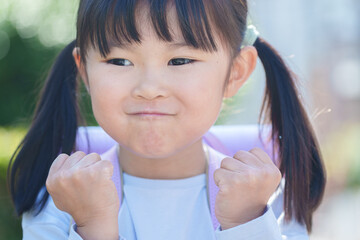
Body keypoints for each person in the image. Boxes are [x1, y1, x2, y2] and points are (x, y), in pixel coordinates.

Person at [7, 0, 326, 239]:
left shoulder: (267, 199)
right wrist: (92, 226)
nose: (149, 89)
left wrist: (248, 223)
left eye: (180, 60)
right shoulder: (62, 201)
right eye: (119, 60)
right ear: (84, 72)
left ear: (235, 72)